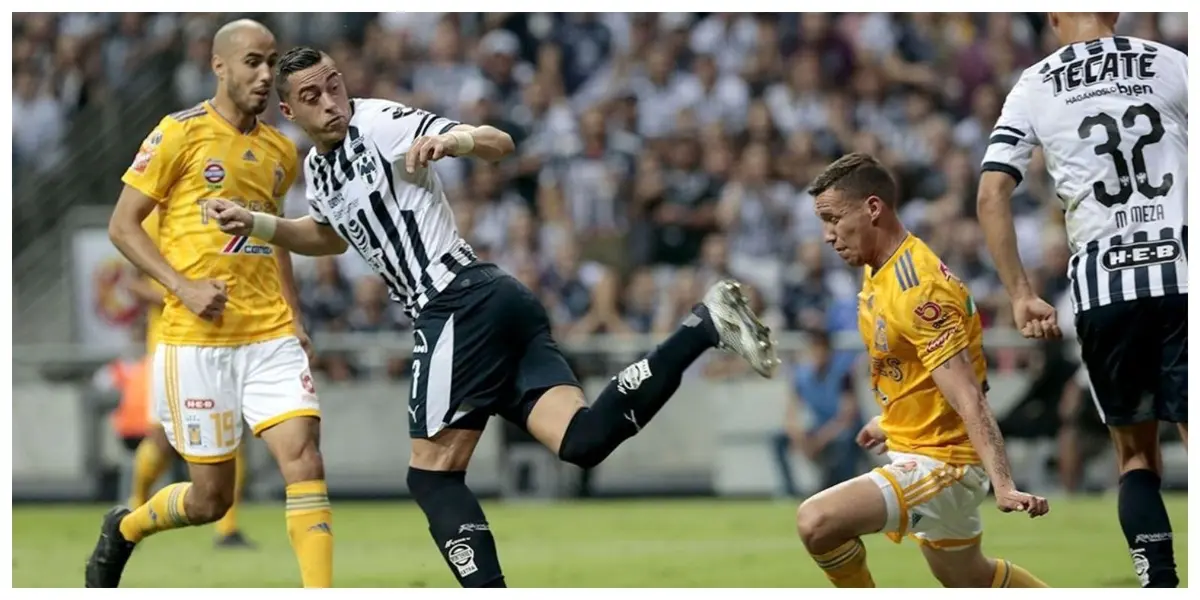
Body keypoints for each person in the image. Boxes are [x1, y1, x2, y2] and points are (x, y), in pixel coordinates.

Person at [207, 45, 780, 588]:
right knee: (583, 441)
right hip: (494, 299)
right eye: (313, 97)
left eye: (335, 86)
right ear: (289, 109)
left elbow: (496, 141)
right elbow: (327, 237)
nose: (332, 102)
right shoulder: (320, 169)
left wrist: (456, 142)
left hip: (454, 302)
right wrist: (254, 223)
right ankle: (704, 325)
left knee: (430, 477)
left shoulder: (379, 122)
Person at [85, 21, 332, 589]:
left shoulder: (279, 151)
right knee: (209, 500)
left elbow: (280, 241)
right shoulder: (179, 133)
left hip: (268, 333)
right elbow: (123, 227)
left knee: (305, 459)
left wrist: (294, 317)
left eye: (271, 62)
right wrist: (183, 286)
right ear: (219, 66)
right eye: (252, 62)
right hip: (195, 340)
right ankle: (125, 529)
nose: (266, 75)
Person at [976, 12, 1187, 588]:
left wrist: (1020, 294)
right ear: (1114, 12)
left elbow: (992, 193)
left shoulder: (1036, 83)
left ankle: (1160, 583)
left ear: (1051, 18)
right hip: (1182, 274)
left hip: (1103, 288)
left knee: (1136, 457)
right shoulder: (1170, 63)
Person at [796, 153, 1049, 588]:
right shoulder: (880, 269)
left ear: (873, 208)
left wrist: (1003, 483)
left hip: (943, 464)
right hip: (919, 446)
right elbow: (927, 369)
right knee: (970, 577)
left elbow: (969, 393)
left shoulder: (919, 289)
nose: (827, 236)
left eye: (833, 219)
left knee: (817, 521)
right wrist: (890, 420)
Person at [124, 207, 255, 548]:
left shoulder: (216, 211)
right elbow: (131, 282)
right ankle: (134, 505)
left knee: (231, 433)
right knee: (161, 439)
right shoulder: (155, 215)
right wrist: (180, 292)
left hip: (221, 339)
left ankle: (228, 528)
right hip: (169, 341)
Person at [772, 329, 862, 497]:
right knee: (778, 440)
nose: (817, 354)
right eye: (813, 349)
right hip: (818, 427)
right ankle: (789, 492)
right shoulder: (800, 374)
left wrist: (819, 440)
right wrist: (798, 436)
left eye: (821, 349)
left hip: (837, 428)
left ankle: (841, 490)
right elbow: (791, 412)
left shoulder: (842, 373)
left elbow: (847, 416)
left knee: (846, 440)